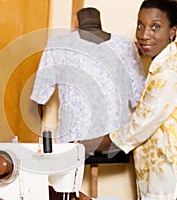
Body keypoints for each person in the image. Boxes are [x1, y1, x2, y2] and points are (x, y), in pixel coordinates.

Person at [81, 0, 177, 199]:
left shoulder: (169, 73)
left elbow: (136, 129)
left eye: (155, 27)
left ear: (172, 32)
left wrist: (83, 145)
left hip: (176, 184)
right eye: (141, 25)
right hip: (171, 182)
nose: (144, 35)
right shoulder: (166, 65)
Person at [31, 7, 146, 152]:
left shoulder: (125, 46)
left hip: (100, 141)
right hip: (95, 140)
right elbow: (140, 95)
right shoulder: (58, 44)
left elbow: (41, 94)